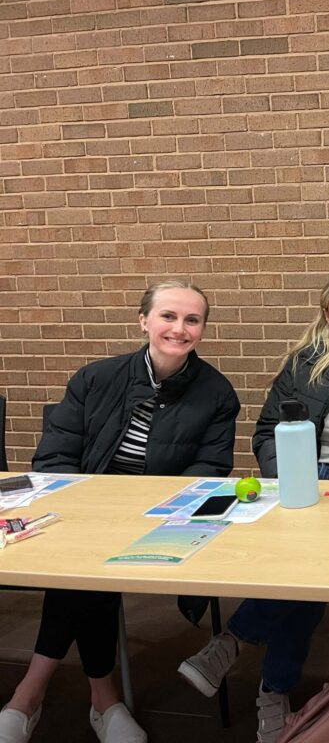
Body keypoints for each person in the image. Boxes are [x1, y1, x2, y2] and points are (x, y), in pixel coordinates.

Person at [177, 269, 329, 743]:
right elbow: (266, 431)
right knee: (305, 582)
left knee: (305, 580)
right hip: (292, 493)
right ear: (327, 317)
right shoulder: (303, 364)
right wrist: (294, 479)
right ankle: (272, 692)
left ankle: (236, 643)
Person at [0, 281, 240, 743]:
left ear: (203, 329)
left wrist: (139, 515)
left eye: (192, 320)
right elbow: (53, 458)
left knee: (86, 576)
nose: (179, 328)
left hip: (157, 521)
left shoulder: (216, 392)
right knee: (89, 572)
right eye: (168, 316)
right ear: (143, 321)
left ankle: (30, 696)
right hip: (81, 512)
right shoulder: (95, 378)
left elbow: (209, 471)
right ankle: (102, 701)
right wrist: (91, 512)